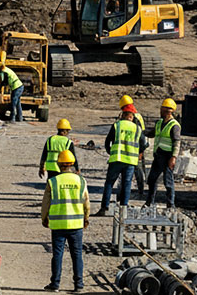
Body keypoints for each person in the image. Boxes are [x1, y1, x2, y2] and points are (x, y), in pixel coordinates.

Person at [41, 149, 88, 292]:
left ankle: (55, 284)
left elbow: (46, 203)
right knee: (77, 254)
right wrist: (86, 218)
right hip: (76, 225)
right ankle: (78, 285)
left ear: (59, 164)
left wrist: (44, 218)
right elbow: (86, 202)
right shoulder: (80, 180)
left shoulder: (53, 181)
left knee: (57, 254)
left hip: (58, 225)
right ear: (72, 164)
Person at [94, 104, 146, 216]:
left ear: (123, 115)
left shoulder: (117, 125)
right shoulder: (137, 128)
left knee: (109, 183)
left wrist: (110, 152)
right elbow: (144, 144)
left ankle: (104, 208)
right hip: (130, 161)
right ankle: (124, 210)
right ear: (132, 116)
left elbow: (108, 141)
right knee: (127, 184)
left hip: (116, 159)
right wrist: (137, 153)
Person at [146, 98, 182, 208]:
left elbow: (177, 142)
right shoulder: (160, 122)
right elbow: (152, 133)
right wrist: (140, 131)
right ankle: (149, 202)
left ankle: (171, 205)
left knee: (168, 182)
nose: (160, 111)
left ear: (168, 111)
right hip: (158, 155)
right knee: (152, 179)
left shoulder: (174, 125)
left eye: (162, 108)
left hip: (168, 157)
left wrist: (173, 157)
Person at [119, 95, 148, 195]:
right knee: (134, 168)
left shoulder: (135, 116)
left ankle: (140, 189)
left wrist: (140, 151)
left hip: (135, 146)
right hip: (131, 145)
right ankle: (138, 189)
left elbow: (141, 135)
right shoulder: (135, 114)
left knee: (138, 168)